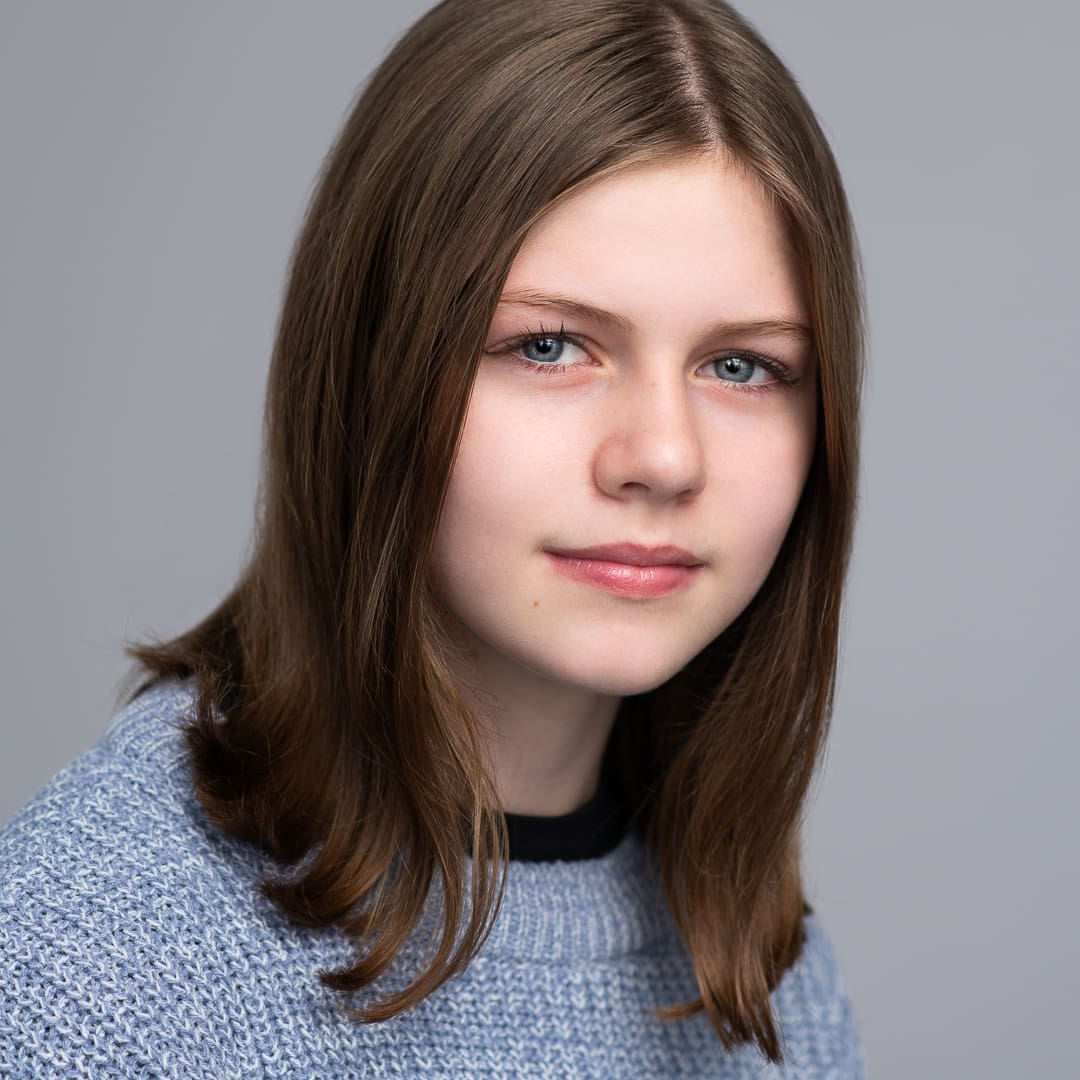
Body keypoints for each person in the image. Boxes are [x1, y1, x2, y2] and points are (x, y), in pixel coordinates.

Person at [0, 0, 867, 1075]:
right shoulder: (94, 963)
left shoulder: (765, 973)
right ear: (375, 369)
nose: (664, 457)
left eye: (742, 366)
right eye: (550, 345)